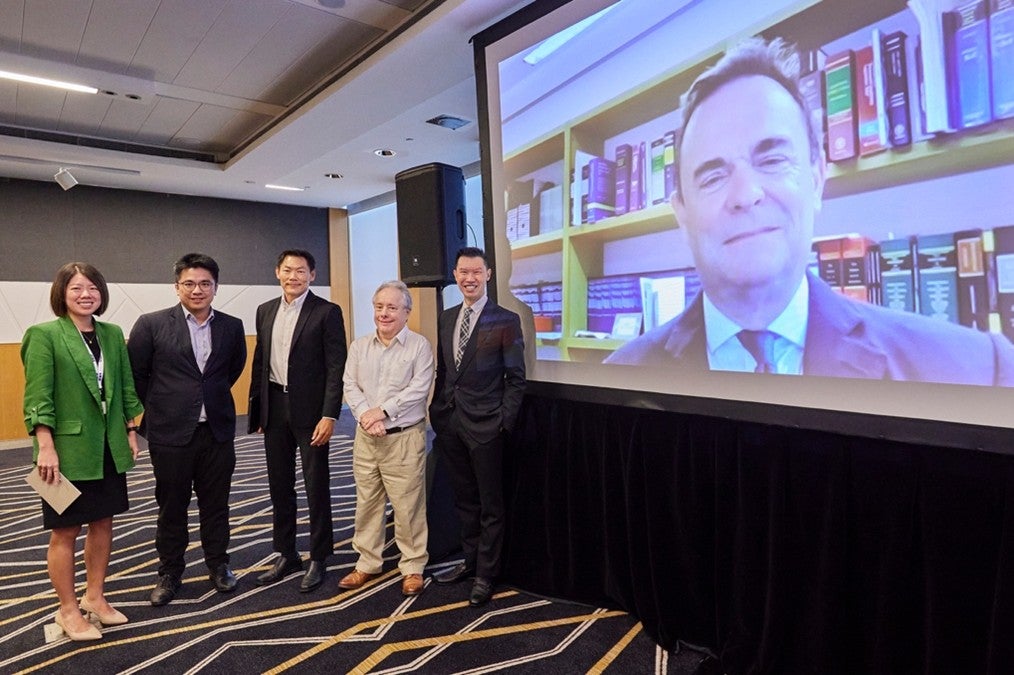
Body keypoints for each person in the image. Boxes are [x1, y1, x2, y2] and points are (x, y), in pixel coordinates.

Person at [605, 38, 1014, 385]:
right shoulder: (618, 382)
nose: (746, 194)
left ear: (817, 179)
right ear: (681, 213)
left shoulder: (978, 370)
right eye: (713, 176)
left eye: (773, 159)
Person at [21, 262, 144, 641]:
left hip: (107, 445)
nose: (85, 294)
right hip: (63, 450)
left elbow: (124, 386)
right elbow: (38, 397)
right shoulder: (43, 335)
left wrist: (130, 429)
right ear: (62, 294)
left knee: (104, 522)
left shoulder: (112, 333)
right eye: (76, 288)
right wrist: (45, 446)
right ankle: (68, 609)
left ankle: (95, 598)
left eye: (92, 287)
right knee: (65, 530)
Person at [128, 253, 247, 606]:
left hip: (217, 433)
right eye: (190, 283)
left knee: (217, 505)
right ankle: (169, 572)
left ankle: (218, 565)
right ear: (176, 286)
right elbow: (137, 375)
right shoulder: (151, 324)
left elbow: (232, 370)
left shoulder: (231, 325)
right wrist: (165, 405)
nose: (198, 290)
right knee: (171, 507)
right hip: (170, 435)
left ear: (216, 287)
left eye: (205, 284)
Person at [429, 247, 526, 606]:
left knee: (490, 504)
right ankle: (470, 563)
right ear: (455, 275)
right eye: (462, 272)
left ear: (488, 275)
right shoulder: (446, 317)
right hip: (450, 423)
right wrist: (437, 412)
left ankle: (487, 574)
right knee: (464, 500)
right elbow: (444, 371)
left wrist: (503, 422)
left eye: (476, 272)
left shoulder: (505, 320)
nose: (469, 278)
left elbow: (516, 379)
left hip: (487, 427)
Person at [249, 249, 347, 592]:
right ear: (277, 272)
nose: (294, 276)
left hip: (311, 412)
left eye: (301, 271)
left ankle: (319, 557)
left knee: (316, 485)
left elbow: (337, 366)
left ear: (312, 275)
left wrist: (330, 413)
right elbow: (260, 362)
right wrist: (258, 410)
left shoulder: (327, 312)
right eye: (288, 270)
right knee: (280, 485)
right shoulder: (265, 311)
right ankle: (286, 552)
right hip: (275, 407)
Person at [338, 281, 435, 597]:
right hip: (366, 438)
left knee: (408, 506)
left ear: (407, 312)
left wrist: (382, 412)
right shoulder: (360, 346)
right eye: (379, 306)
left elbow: (418, 389)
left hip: (404, 438)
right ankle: (367, 562)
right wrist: (367, 415)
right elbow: (350, 385)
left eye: (392, 307)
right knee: (367, 502)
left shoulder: (419, 346)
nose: (384, 313)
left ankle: (412, 566)